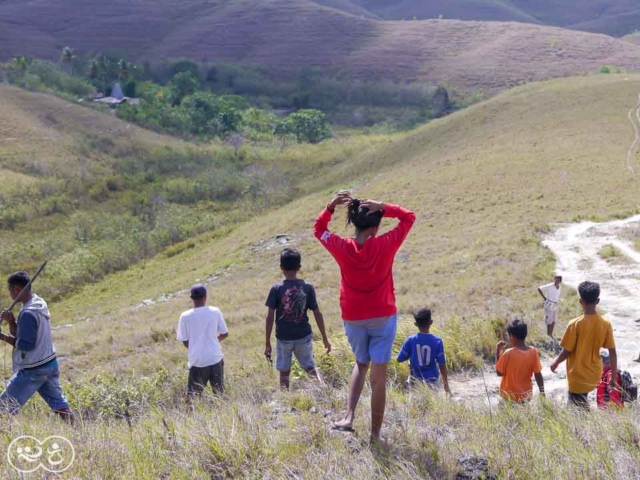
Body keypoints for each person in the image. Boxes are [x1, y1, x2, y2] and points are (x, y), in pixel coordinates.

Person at [314, 190, 416, 441]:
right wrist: (385, 205)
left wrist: (330, 207)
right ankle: (374, 434)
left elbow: (318, 229)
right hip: (383, 315)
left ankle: (348, 416)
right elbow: (409, 217)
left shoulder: (340, 247)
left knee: (361, 363)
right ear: (375, 227)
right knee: (378, 375)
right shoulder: (385, 244)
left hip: (353, 317)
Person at [0, 272, 73, 421]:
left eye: (10, 289)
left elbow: (26, 345)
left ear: (16, 289)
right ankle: (78, 432)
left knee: (4, 407)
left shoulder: (28, 313)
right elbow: (22, 334)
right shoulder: (38, 303)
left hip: (34, 369)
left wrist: (2, 337)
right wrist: (11, 322)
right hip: (49, 363)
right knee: (59, 405)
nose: (10, 293)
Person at [264, 248, 331, 390]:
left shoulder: (276, 289)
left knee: (284, 372)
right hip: (303, 335)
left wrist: (267, 342)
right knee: (309, 367)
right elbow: (317, 313)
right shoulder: (308, 287)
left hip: (283, 337)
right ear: (299, 267)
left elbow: (270, 318)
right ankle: (323, 391)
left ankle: (284, 398)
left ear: (281, 268)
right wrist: (325, 337)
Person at [550, 281, 617, 410]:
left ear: (581, 301)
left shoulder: (575, 324)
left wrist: (556, 362)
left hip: (577, 375)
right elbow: (612, 352)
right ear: (597, 301)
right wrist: (613, 378)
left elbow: (567, 351)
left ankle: (585, 428)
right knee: (582, 401)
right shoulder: (605, 324)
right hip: (594, 373)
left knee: (576, 409)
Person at [176, 284, 229, 396]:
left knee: (193, 399)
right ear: (205, 296)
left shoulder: (185, 316)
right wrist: (213, 341)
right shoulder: (215, 311)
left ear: (191, 298)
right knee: (219, 394)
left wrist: (197, 347)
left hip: (198, 361)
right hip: (215, 358)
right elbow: (225, 333)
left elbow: (185, 341)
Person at [396, 308, 450, 393]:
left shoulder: (410, 340)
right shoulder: (437, 341)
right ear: (431, 322)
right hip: (432, 380)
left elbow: (399, 359)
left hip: (415, 379)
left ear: (415, 324)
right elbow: (442, 365)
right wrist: (446, 385)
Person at [495, 318, 544, 403]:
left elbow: (499, 372)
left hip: (509, 397)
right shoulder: (533, 351)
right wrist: (542, 393)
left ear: (512, 337)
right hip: (526, 396)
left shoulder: (508, 353)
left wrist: (497, 352)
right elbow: (538, 374)